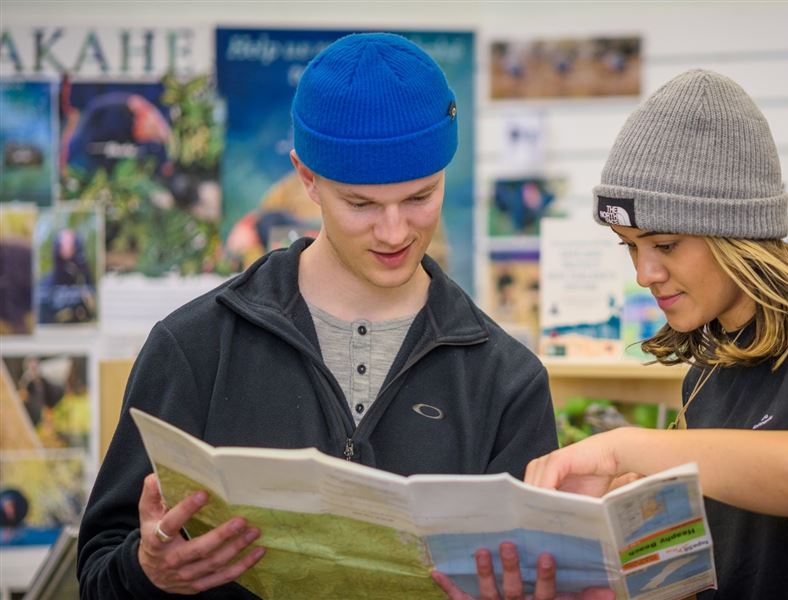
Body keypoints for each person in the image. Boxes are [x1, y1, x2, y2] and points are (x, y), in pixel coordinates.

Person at [77, 33, 558, 599]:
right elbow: (95, 578)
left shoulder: (508, 381)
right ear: (307, 178)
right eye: (362, 204)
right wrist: (147, 570)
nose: (395, 232)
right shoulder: (192, 348)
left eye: (420, 197)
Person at [523, 70, 788, 599]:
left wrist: (626, 450)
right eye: (629, 246)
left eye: (666, 244)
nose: (644, 273)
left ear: (736, 232)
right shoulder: (708, 370)